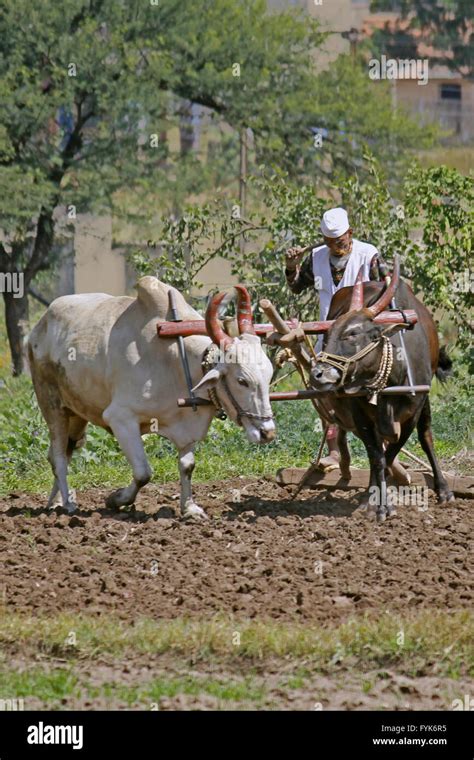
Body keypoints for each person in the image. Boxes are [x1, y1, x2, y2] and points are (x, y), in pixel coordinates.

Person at [285, 207, 390, 469]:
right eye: (330, 243)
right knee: (325, 392)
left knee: (372, 391)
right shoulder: (317, 258)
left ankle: (385, 448)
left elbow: (387, 291)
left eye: (340, 242)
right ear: (323, 240)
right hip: (329, 340)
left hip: (362, 343)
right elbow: (297, 287)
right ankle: (334, 452)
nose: (336, 247)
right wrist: (291, 267)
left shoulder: (369, 255)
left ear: (350, 234)